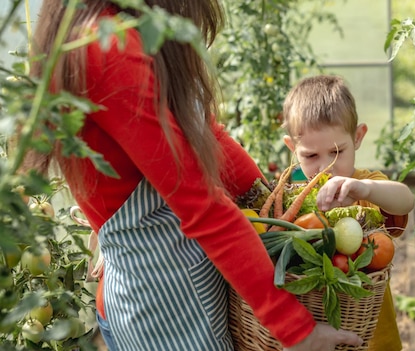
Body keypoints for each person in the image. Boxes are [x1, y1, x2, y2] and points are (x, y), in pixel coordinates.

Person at [25, 1, 363, 351]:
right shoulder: (106, 47)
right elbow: (202, 205)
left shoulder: (116, 27)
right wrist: (296, 329)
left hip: (177, 287)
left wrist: (266, 199)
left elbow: (203, 133)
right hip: (165, 311)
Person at [281, 74, 415, 351]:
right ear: (293, 149)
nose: (326, 167)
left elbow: (406, 200)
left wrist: (364, 189)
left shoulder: (364, 186)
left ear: (358, 137)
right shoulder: (288, 198)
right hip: (315, 333)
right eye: (310, 156)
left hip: (373, 338)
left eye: (337, 152)